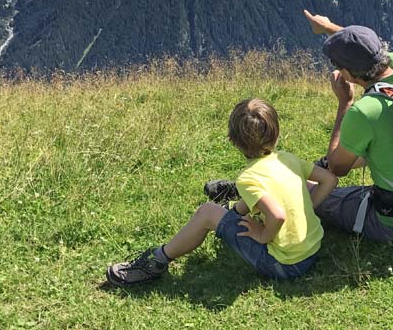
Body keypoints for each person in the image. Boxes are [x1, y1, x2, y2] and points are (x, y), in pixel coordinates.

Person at [106, 98, 338, 286]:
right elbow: (329, 179)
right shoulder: (288, 159)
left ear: (234, 141)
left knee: (208, 212)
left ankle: (156, 262)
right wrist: (308, 207)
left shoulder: (248, 178)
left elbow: (277, 215)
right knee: (237, 210)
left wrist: (262, 236)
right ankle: (226, 213)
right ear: (276, 132)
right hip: (312, 249)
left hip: (285, 265)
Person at [302, 12, 393, 242]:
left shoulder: (365, 111)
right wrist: (328, 27)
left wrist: (345, 103)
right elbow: (364, 49)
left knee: (307, 189)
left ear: (346, 73)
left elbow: (336, 166)